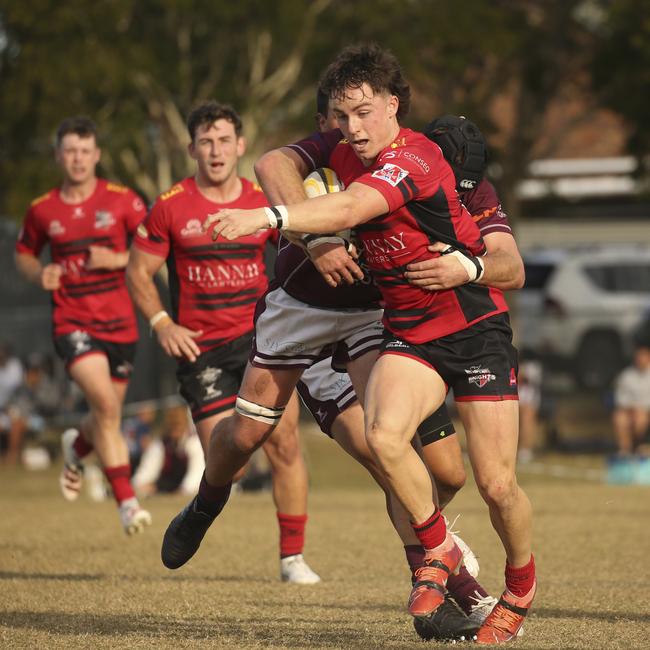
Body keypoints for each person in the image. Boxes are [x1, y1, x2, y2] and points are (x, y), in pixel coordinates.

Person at [199, 44, 536, 644]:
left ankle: (521, 585)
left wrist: (268, 220)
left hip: (473, 329)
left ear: (392, 107)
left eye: (363, 114)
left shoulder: (416, 159)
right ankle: (438, 552)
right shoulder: (345, 145)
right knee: (383, 437)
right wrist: (305, 233)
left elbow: (357, 206)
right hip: (406, 331)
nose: (351, 128)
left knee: (495, 484)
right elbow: (279, 162)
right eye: (343, 115)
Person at [126, 101, 320, 584]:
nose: (215, 150)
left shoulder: (262, 199)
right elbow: (138, 271)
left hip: (263, 342)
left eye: (224, 140)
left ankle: (292, 559)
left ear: (240, 146)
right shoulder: (171, 204)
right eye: (205, 142)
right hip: (202, 351)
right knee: (225, 464)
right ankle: (202, 505)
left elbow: (300, 253)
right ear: (192, 148)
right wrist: (161, 322)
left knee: (286, 444)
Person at [15, 116, 151, 535]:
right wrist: (39, 274)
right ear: (59, 156)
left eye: (84, 151)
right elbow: (24, 253)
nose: (77, 159)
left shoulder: (123, 200)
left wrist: (115, 259)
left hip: (121, 326)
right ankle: (127, 502)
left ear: (97, 156)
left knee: (104, 414)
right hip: (72, 322)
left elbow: (152, 248)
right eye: (69, 151)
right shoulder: (43, 209)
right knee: (107, 408)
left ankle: (75, 447)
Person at [132, 405, 205, 497]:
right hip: (166, 488)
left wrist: (181, 492)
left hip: (185, 492)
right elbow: (145, 473)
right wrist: (142, 487)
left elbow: (195, 477)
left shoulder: (195, 444)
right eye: (171, 423)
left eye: (178, 423)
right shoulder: (160, 444)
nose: (174, 427)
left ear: (185, 423)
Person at [612, 340, 650, 456]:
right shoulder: (626, 375)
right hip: (629, 410)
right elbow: (620, 397)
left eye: (643, 356)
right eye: (638, 356)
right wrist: (630, 408)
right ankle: (625, 451)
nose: (640, 359)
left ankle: (638, 446)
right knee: (620, 418)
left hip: (645, 410)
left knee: (640, 419)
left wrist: (642, 408)